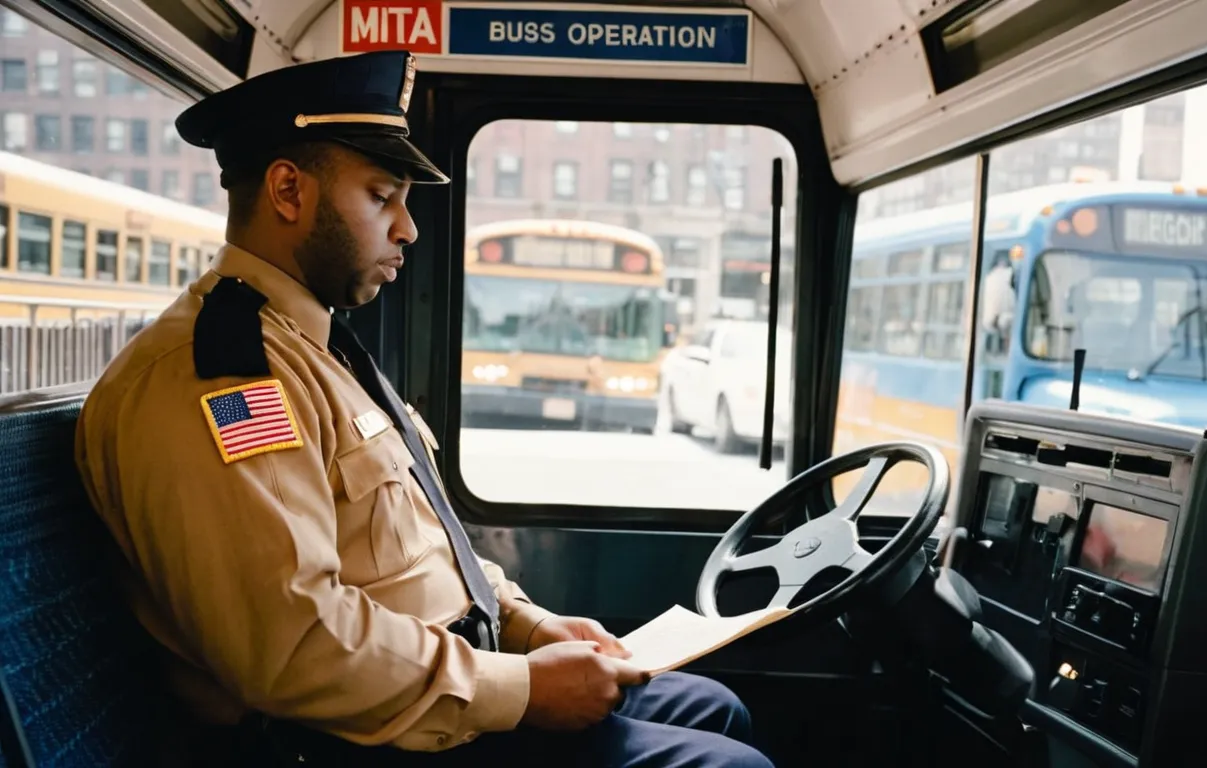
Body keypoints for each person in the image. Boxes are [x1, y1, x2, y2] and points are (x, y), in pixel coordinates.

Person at [73, 50, 772, 768]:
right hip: (341, 740)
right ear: (288, 190)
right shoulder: (222, 373)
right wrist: (523, 690)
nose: (407, 229)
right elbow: (294, 645)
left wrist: (530, 630)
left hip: (430, 684)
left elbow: (419, 550)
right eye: (382, 196)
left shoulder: (320, 351)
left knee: (715, 707)